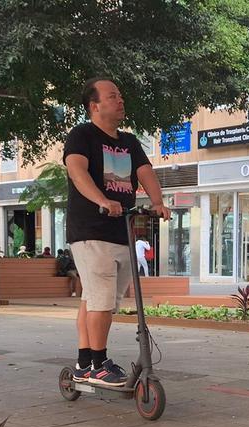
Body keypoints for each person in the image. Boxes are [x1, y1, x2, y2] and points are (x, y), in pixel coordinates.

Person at [64, 77, 170, 387]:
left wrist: (157, 202)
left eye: (120, 96)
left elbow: (144, 172)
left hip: (121, 229)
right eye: (112, 96)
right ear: (94, 106)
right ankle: (99, 363)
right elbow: (76, 170)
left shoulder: (130, 142)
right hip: (90, 229)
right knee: (101, 301)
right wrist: (102, 200)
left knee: (97, 299)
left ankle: (84, 363)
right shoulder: (81, 135)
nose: (120, 100)